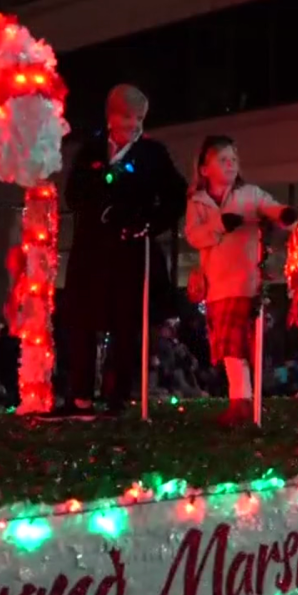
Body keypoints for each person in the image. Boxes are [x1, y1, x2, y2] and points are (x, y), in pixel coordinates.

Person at [48, 84, 187, 420]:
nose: (135, 125)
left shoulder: (153, 154)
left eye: (140, 118)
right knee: (82, 320)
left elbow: (175, 196)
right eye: (129, 118)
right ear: (111, 118)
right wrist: (105, 181)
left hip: (130, 248)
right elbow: (73, 195)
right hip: (91, 248)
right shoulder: (91, 150)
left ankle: (116, 398)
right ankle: (79, 396)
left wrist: (149, 224)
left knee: (126, 324)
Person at [185, 135, 298, 424]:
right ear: (204, 169)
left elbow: (269, 207)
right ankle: (241, 402)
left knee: (246, 345)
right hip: (219, 285)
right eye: (222, 160)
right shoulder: (197, 202)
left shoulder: (249, 193)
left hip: (248, 282)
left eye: (234, 159)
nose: (230, 165)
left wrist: (283, 214)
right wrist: (219, 225)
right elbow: (194, 236)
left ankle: (247, 401)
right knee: (230, 349)